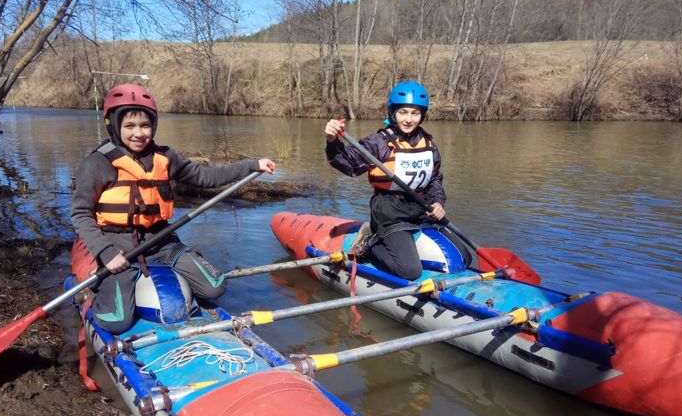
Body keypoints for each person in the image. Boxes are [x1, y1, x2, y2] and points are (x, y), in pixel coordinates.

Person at [72, 83, 275, 334]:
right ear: (113, 125)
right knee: (115, 322)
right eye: (129, 126)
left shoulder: (166, 157)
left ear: (153, 125)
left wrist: (252, 165)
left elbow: (206, 176)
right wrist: (105, 253)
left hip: (161, 242)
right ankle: (94, 291)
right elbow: (80, 213)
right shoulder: (97, 163)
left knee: (215, 286)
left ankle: (176, 285)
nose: (138, 133)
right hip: (118, 248)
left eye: (145, 125)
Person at [323, 80, 446, 281]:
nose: (409, 119)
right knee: (409, 271)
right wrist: (332, 141)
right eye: (403, 112)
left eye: (415, 113)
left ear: (422, 115)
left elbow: (435, 179)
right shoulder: (379, 142)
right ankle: (370, 245)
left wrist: (438, 202)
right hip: (389, 212)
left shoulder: (428, 143)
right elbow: (348, 164)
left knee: (462, 256)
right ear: (393, 113)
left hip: (420, 209)